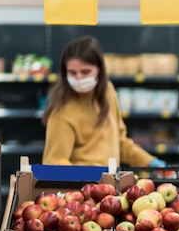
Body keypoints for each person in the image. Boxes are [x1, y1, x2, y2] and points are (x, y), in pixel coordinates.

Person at [42, 36, 165, 168]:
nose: (79, 78)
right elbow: (53, 165)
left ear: (99, 69)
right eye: (72, 72)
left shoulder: (107, 92)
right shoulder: (61, 114)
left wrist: (148, 162)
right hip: (83, 186)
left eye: (85, 72)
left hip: (110, 182)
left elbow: (119, 141)